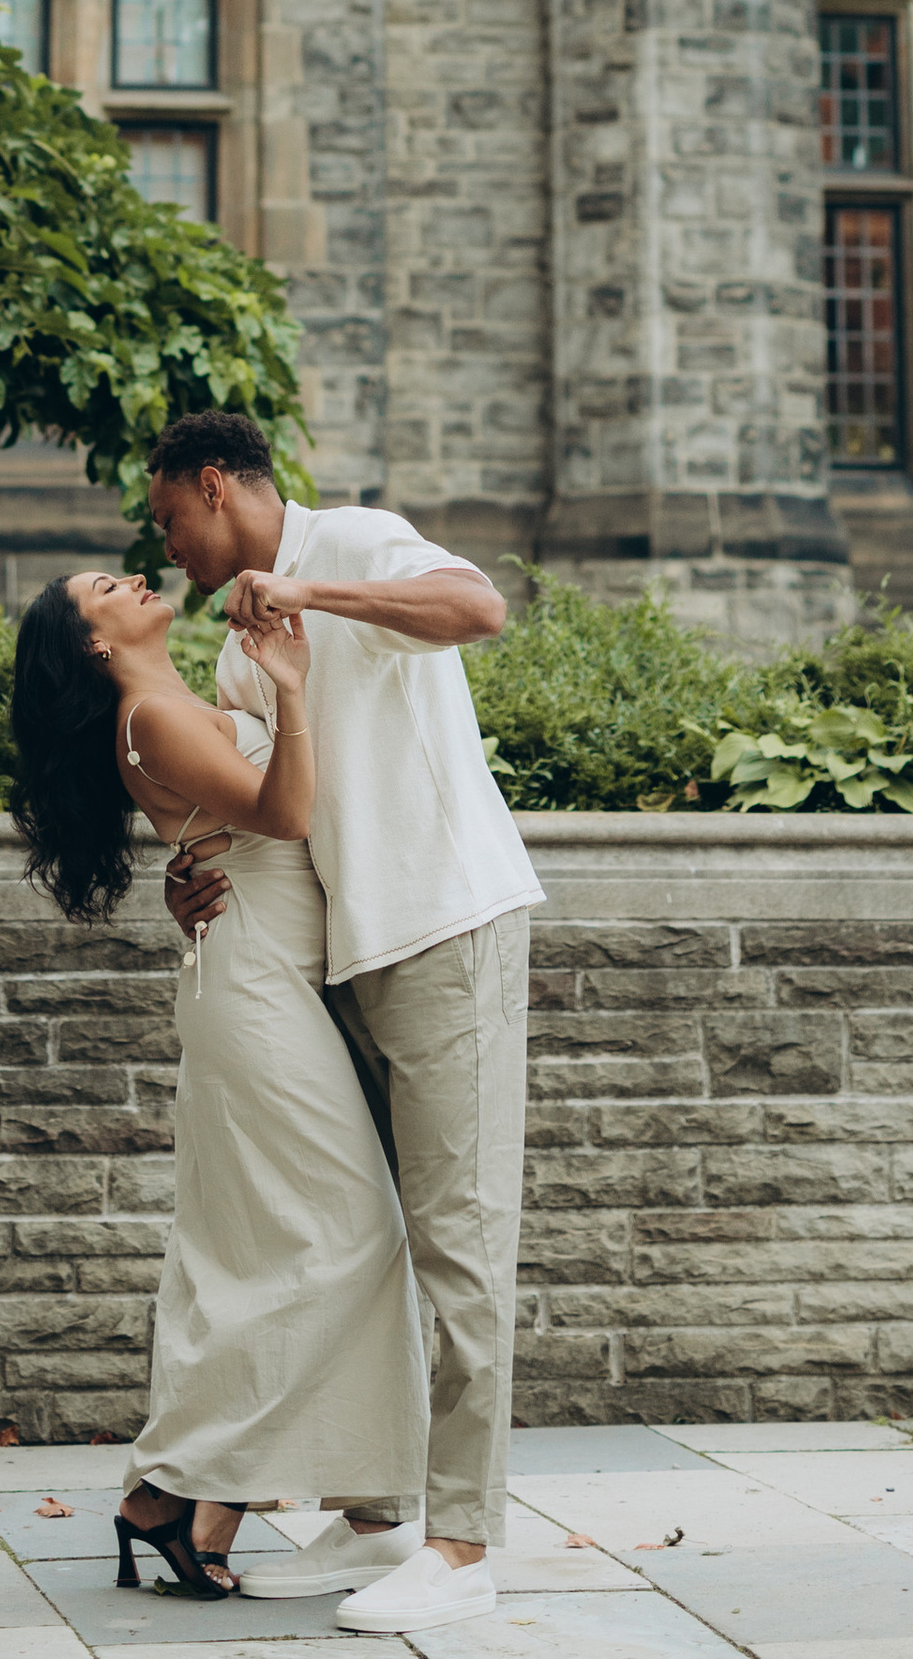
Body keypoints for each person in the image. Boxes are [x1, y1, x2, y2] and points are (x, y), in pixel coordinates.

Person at [148, 409, 542, 1640]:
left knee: (461, 1245)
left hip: (445, 926)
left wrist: (310, 594)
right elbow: (270, 806)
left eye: (170, 517)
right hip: (338, 957)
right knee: (366, 1234)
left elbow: (478, 607)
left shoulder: (354, 543)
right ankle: (376, 1518)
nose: (167, 545)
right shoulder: (233, 642)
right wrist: (185, 875)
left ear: (216, 485)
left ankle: (462, 1547)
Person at [7, 556, 426, 1606]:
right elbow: (285, 817)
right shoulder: (150, 715)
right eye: (108, 588)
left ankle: (197, 1502)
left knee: (276, 1248)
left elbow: (225, 832)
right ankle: (178, 1485)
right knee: (348, 1235)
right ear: (93, 643)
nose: (137, 576)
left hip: (272, 974)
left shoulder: (172, 704)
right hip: (253, 993)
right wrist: (290, 689)